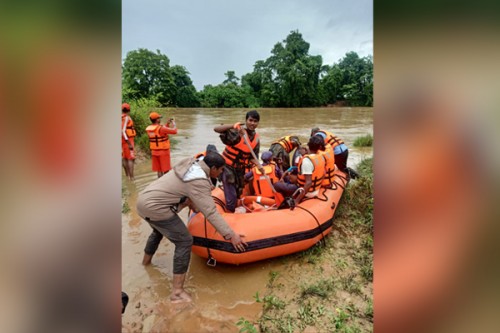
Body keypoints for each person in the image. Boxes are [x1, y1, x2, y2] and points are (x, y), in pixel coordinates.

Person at [136, 152, 247, 303]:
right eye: (220, 170)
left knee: (158, 231)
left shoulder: (190, 165)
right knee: (185, 241)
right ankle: (177, 292)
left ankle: (145, 263)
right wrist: (230, 235)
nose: (221, 173)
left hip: (143, 202)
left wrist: (194, 206)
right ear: (213, 168)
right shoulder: (199, 180)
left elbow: (186, 195)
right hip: (157, 208)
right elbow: (211, 212)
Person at [214, 110, 261, 212]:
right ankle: (230, 215)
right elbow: (216, 129)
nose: (252, 123)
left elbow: (252, 157)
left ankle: (234, 209)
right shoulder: (237, 132)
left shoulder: (256, 139)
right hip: (227, 167)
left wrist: (259, 166)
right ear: (246, 120)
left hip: (240, 169)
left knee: (238, 192)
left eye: (255, 121)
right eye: (250, 120)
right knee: (231, 196)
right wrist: (232, 125)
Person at [274, 135, 326, 206]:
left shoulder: (307, 161)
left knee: (276, 185)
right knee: (287, 177)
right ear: (319, 147)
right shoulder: (320, 156)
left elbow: (308, 183)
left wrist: (297, 200)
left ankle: (284, 200)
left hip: (307, 191)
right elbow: (324, 173)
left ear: (308, 145)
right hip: (315, 188)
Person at [146, 112, 178, 178]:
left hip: (154, 152)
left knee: (159, 170)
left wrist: (167, 124)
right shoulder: (161, 128)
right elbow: (174, 131)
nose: (160, 119)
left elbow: (160, 132)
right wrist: (174, 123)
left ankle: (159, 183)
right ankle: (165, 185)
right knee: (166, 170)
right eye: (159, 118)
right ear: (157, 120)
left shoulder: (149, 129)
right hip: (163, 152)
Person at [121, 103, 136, 181]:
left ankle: (127, 176)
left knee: (124, 157)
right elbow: (123, 131)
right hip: (127, 139)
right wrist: (129, 143)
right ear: (129, 110)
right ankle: (132, 178)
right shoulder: (126, 117)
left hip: (122, 140)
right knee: (130, 158)